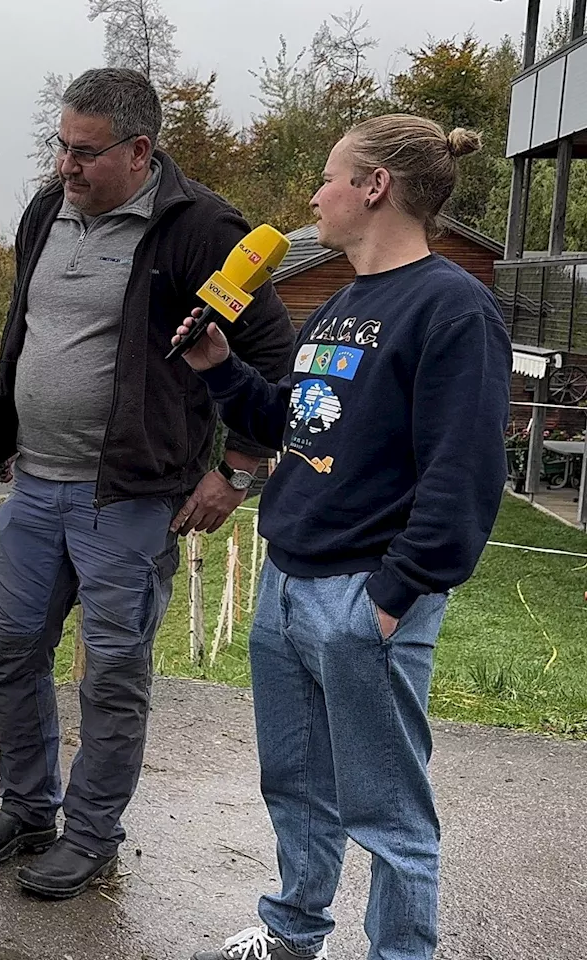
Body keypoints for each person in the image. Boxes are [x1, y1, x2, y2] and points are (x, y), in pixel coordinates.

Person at [0, 67, 296, 898]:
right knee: (10, 652)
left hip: (132, 498)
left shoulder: (201, 228)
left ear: (141, 151)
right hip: (35, 485)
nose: (67, 166)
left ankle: (93, 836)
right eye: (60, 146)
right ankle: (29, 809)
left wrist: (236, 472)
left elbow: (275, 353)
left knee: (112, 673)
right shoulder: (45, 211)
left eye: (87, 153)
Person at [176, 116, 511, 960]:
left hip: (364, 594)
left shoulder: (453, 307)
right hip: (286, 580)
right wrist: (220, 367)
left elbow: (463, 472)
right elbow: (298, 423)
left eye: (330, 178)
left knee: (388, 809)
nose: (315, 196)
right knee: (294, 785)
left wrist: (396, 599)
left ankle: (401, 952)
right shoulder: (338, 305)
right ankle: (294, 932)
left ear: (375, 187)